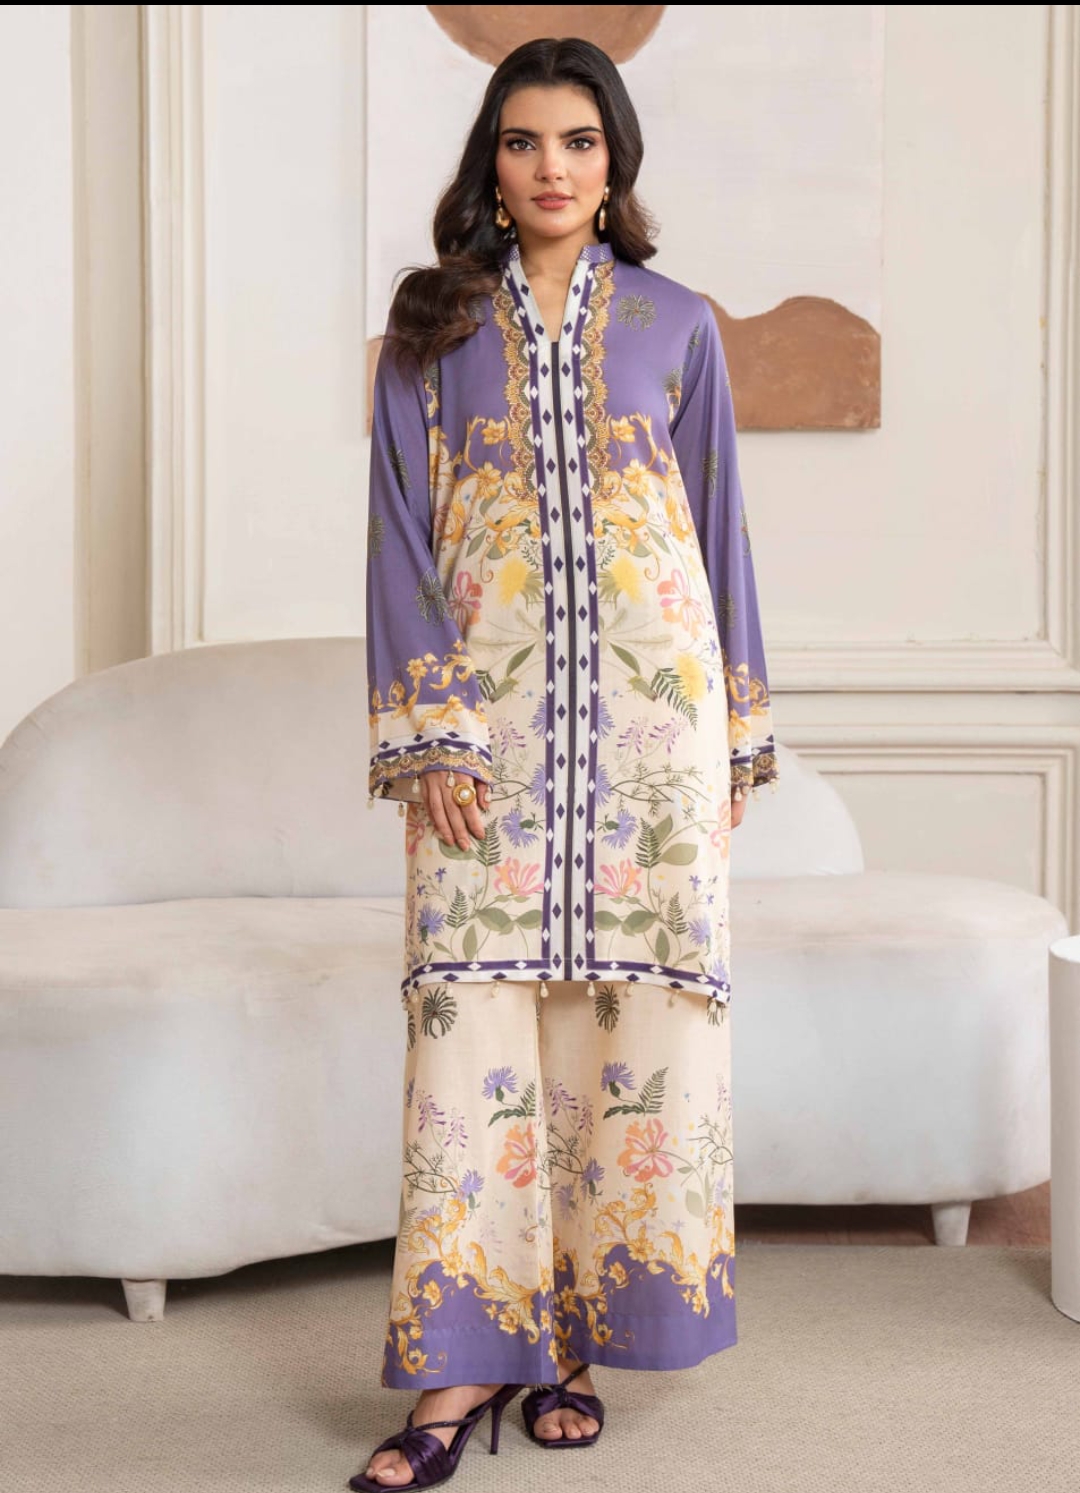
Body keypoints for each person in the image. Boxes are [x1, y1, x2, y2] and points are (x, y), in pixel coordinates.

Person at [353, 35, 779, 1492]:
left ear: (615, 164)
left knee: (625, 1035)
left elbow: (719, 531)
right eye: (525, 140)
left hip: (655, 736)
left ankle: (575, 1344)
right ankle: (464, 1357)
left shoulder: (678, 323)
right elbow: (399, 536)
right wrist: (431, 728)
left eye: (580, 142)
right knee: (470, 1030)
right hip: (484, 733)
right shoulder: (433, 328)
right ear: (492, 162)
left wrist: (734, 733)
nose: (552, 167)